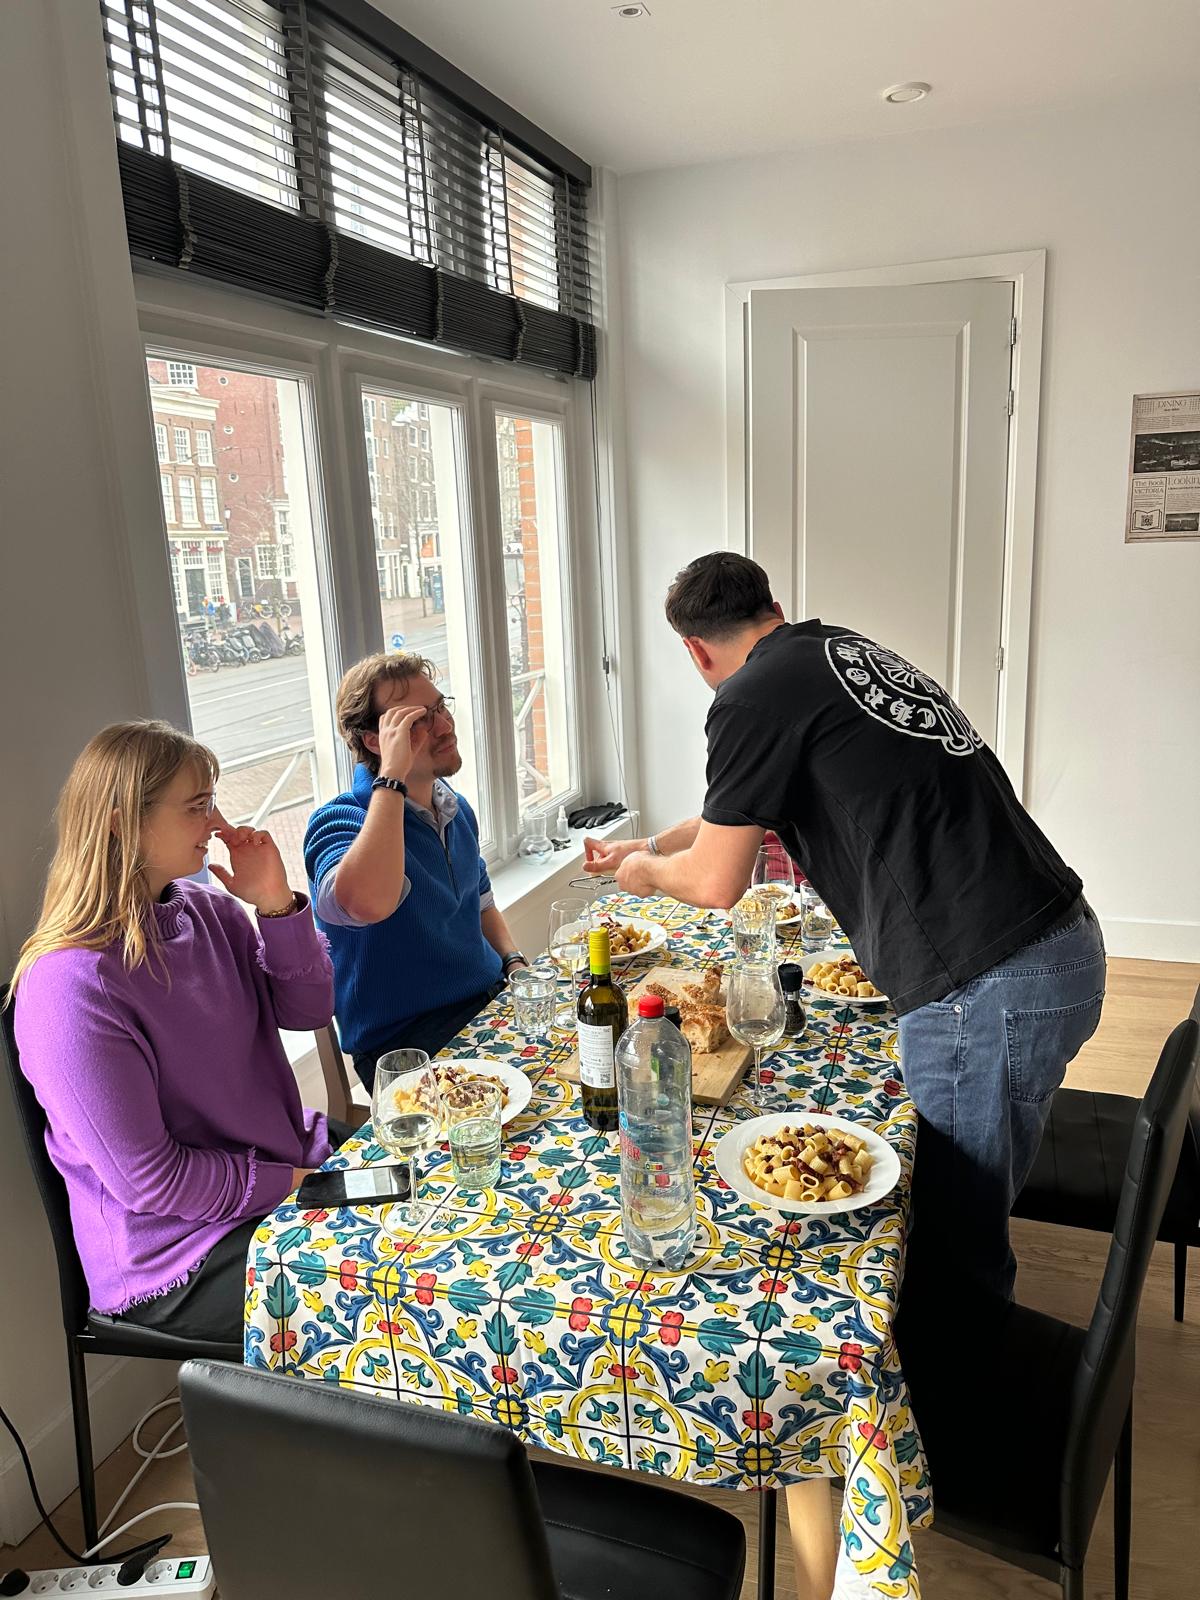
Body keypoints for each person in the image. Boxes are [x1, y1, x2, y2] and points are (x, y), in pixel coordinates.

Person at [590, 551, 1105, 1301]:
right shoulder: (832, 653)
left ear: (694, 649)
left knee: (954, 1240)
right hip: (1053, 941)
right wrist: (654, 845)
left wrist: (642, 877)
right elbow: (734, 807)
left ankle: (955, 1400)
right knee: (970, 1201)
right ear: (770, 607)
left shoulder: (750, 697)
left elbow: (715, 881)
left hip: (988, 978)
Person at [10, 721, 344, 1345]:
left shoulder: (211, 913)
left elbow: (308, 1011)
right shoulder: (69, 986)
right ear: (119, 823)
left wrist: (275, 904)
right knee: (396, 1279)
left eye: (213, 800)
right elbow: (152, 1182)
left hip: (278, 1167)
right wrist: (300, 1186)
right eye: (197, 806)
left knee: (439, 1175)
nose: (218, 824)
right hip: (176, 1256)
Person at [304, 652, 529, 1090]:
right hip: (406, 1046)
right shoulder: (338, 822)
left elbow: (480, 904)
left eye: (441, 708)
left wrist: (515, 963)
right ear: (376, 741)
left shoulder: (453, 807)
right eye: (417, 722)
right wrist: (392, 777)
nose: (444, 727)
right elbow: (366, 902)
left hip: (488, 1003)